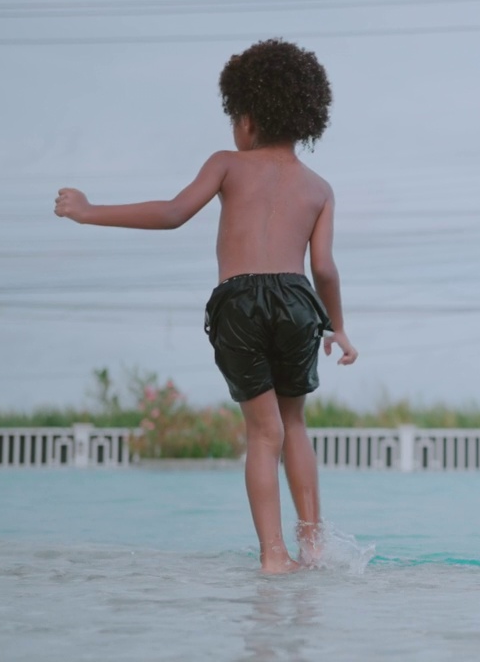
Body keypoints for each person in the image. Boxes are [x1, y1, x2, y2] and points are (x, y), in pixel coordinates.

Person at [54, 39, 358, 574]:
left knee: (263, 433)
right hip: (297, 301)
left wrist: (89, 211)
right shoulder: (319, 187)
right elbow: (326, 269)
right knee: (295, 424)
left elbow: (173, 214)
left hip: (239, 300)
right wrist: (337, 328)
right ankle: (315, 548)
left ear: (247, 118)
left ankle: (273, 556)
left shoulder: (227, 164)